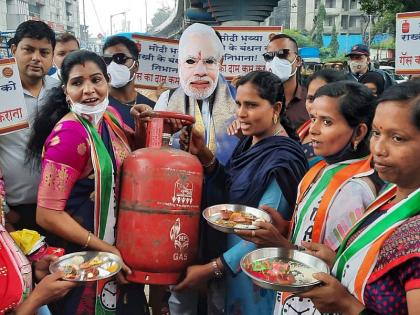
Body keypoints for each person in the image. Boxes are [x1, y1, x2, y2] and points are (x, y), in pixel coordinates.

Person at [236, 81, 382, 315]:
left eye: (327, 122)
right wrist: (284, 227)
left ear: (360, 131)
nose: (313, 129)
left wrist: (281, 246)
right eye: (313, 118)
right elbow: (311, 234)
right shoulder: (320, 169)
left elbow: (339, 266)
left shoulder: (356, 189)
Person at [173, 71, 308, 314]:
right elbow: (231, 188)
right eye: (239, 104)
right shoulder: (251, 141)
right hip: (229, 264)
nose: (241, 113)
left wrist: (211, 268)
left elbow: (262, 231)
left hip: (253, 274)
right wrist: (202, 152)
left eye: (252, 105)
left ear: (276, 107)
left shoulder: (282, 160)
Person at [297, 80, 420, 315]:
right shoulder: (390, 195)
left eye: (397, 138)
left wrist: (347, 306)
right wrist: (337, 262)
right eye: (377, 133)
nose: (379, 149)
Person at [26, 50, 134, 315]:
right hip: (83, 253)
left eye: (96, 80)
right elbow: (47, 214)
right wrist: (107, 250)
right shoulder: (70, 135)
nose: (89, 90)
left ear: (107, 81)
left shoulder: (109, 117)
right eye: (77, 83)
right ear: (66, 90)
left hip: (109, 247)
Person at [0, 20, 59, 232]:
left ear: (52, 56)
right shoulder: (1, 92)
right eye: (28, 49)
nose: (36, 58)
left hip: (59, 210)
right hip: (14, 212)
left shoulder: (62, 92)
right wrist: (6, 212)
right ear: (14, 49)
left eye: (44, 52)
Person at [103, 36, 155, 131]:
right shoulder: (99, 106)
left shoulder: (152, 108)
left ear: (135, 66)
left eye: (120, 58)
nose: (113, 65)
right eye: (107, 60)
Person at [297, 69, 346, 166]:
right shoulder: (305, 127)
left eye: (321, 99)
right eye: (311, 99)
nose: (314, 106)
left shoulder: (339, 138)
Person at [264, 33, 309, 128]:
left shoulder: (311, 101)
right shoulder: (259, 99)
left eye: (282, 54)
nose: (275, 61)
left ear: (298, 61)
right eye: (269, 56)